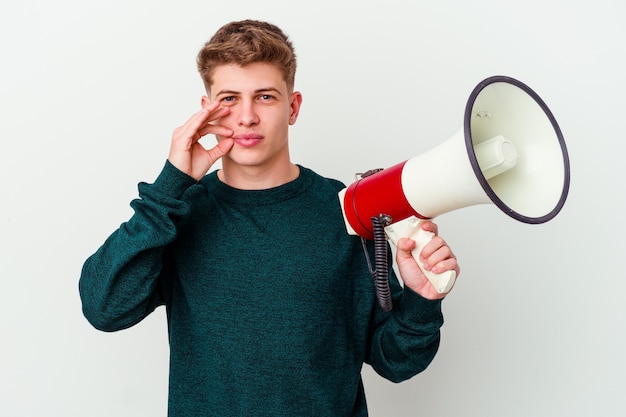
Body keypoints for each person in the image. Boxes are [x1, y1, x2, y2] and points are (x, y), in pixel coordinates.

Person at [79, 19, 460, 417]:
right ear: (206, 109)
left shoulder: (348, 208)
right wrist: (169, 187)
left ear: (292, 107)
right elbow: (104, 308)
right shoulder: (179, 210)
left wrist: (421, 301)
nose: (245, 117)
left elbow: (395, 361)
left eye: (264, 97)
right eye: (229, 98)